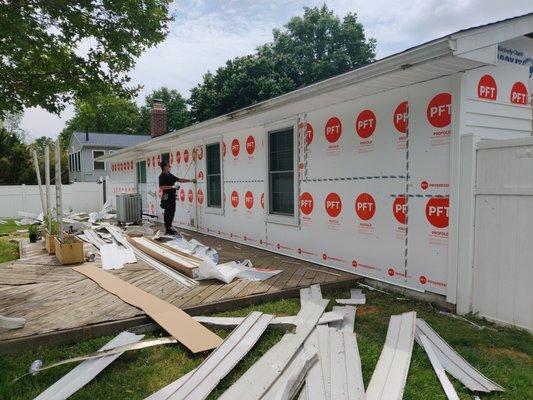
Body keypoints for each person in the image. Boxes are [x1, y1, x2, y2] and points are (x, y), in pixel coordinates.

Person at [158, 161, 196, 235]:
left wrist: (190, 180)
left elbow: (179, 180)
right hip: (166, 196)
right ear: (165, 167)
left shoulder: (170, 175)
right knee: (167, 213)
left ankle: (169, 228)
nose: (169, 166)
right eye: (168, 165)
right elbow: (161, 187)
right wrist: (172, 186)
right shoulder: (162, 176)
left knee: (172, 212)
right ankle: (167, 229)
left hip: (172, 196)